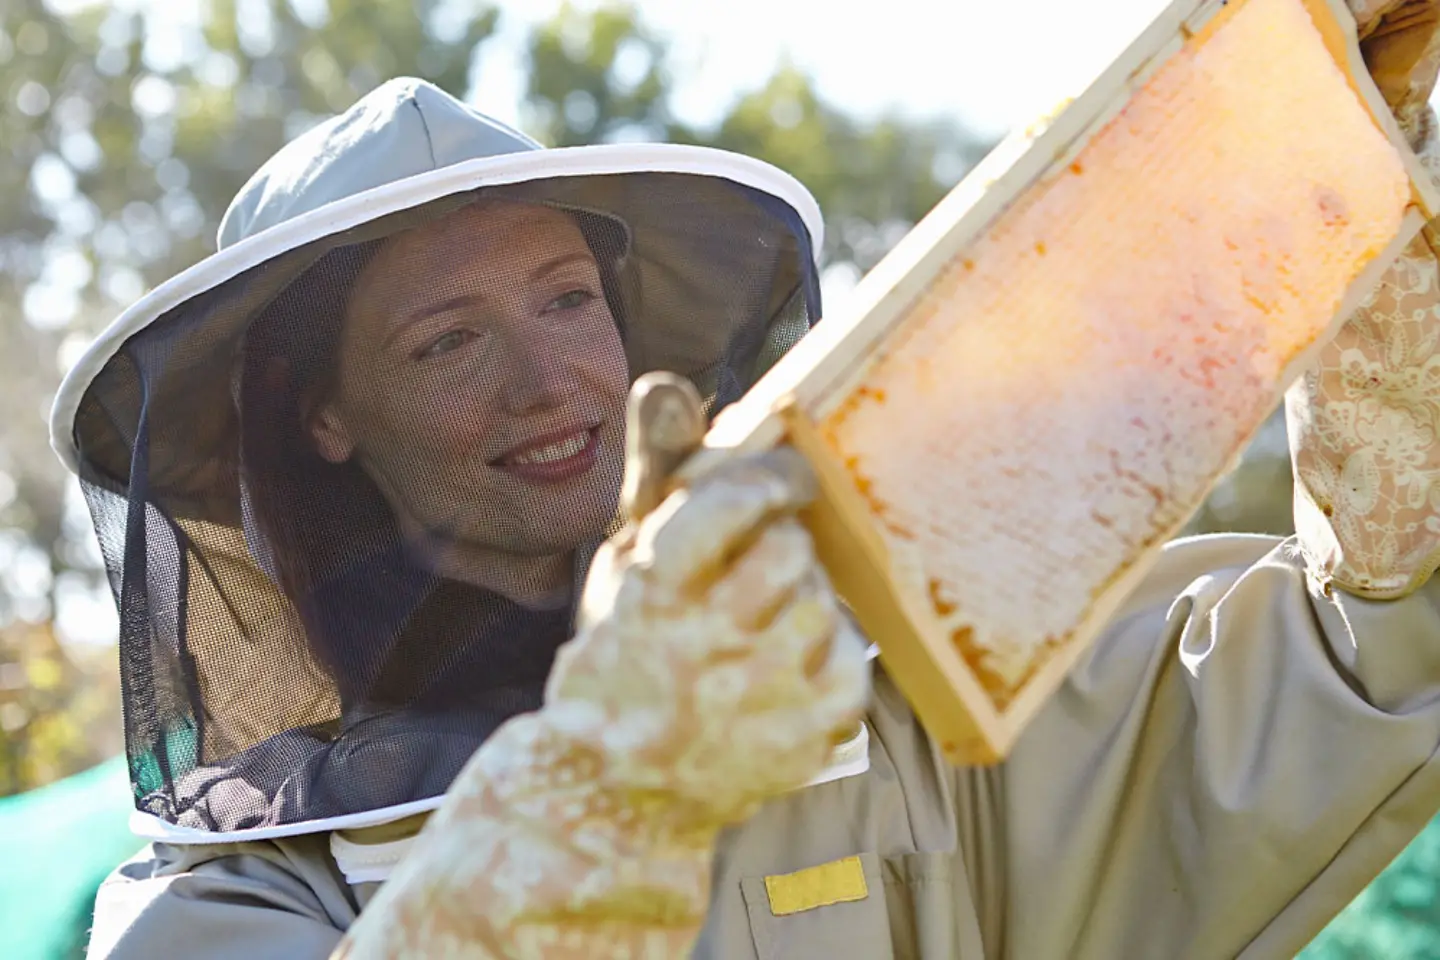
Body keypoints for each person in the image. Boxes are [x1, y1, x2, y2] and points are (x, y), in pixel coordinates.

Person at [62, 2, 1440, 956]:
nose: (549, 383)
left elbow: (1357, 661)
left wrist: (1347, 186)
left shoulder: (885, 733)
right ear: (325, 422)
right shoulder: (237, 899)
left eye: (563, 299)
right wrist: (624, 786)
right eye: (446, 342)